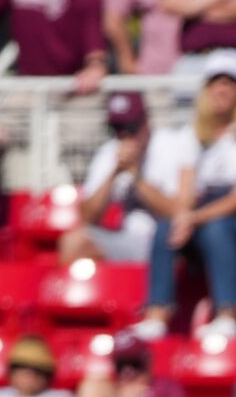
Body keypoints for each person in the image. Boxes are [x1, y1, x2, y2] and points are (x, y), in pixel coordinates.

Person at [144, 56, 236, 338]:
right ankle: (157, 314)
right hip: (209, 223)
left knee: (217, 227)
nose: (222, 90)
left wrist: (194, 217)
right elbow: (185, 194)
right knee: (165, 227)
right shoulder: (192, 135)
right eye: (216, 83)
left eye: (229, 83)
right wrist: (183, 217)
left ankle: (226, 314)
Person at [63, 91, 173, 270]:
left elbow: (176, 212)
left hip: (167, 240)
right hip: (127, 239)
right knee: (74, 242)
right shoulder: (109, 152)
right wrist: (115, 172)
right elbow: (88, 218)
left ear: (146, 123)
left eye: (130, 129)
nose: (124, 136)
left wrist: (135, 174)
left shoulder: (170, 145)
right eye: (117, 130)